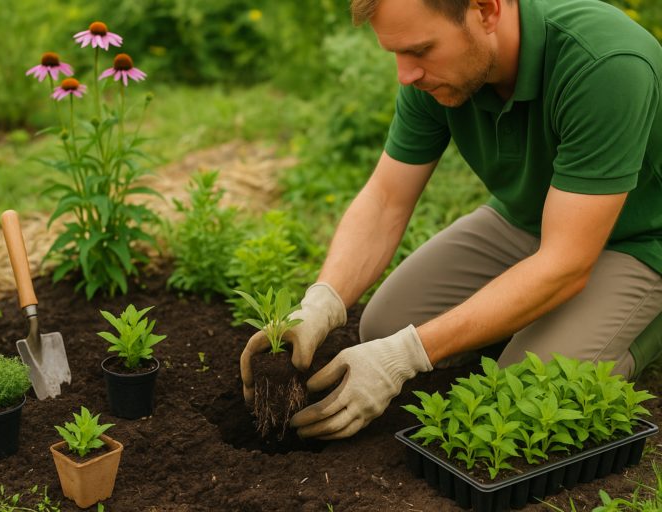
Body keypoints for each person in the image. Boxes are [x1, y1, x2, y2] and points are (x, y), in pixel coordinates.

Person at [240, 0, 662, 440]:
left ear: (487, 10)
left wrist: (408, 354)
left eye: (420, 50)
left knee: (522, 394)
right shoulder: (439, 75)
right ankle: (530, 317)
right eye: (397, 53)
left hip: (641, 240)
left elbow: (566, 262)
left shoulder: (604, 64)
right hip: (531, 220)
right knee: (384, 325)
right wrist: (322, 302)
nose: (406, 75)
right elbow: (386, 199)